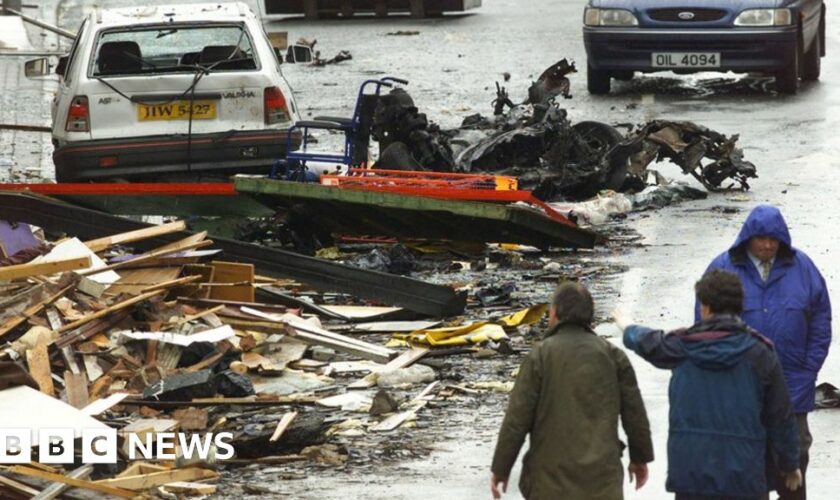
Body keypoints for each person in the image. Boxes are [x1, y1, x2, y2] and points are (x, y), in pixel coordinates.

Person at [616, 269, 801, 500]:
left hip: (692, 474)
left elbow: (648, 341)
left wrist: (627, 326)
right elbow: (781, 417)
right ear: (740, 307)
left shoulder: (681, 347)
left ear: (705, 307)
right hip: (744, 475)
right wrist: (789, 463)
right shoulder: (760, 353)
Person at [700, 205, 831, 499]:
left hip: (793, 383)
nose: (768, 245)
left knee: (794, 457)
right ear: (748, 237)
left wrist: (809, 368)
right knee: (745, 463)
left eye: (774, 239)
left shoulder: (803, 268)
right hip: (739, 388)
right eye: (761, 238)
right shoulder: (723, 268)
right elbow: (704, 325)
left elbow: (821, 319)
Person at [490, 282, 653, 500]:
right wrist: (639, 458)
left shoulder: (540, 357)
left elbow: (516, 419)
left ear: (554, 313)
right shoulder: (613, 356)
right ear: (590, 316)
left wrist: (502, 468)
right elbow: (635, 415)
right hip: (602, 482)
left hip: (549, 482)